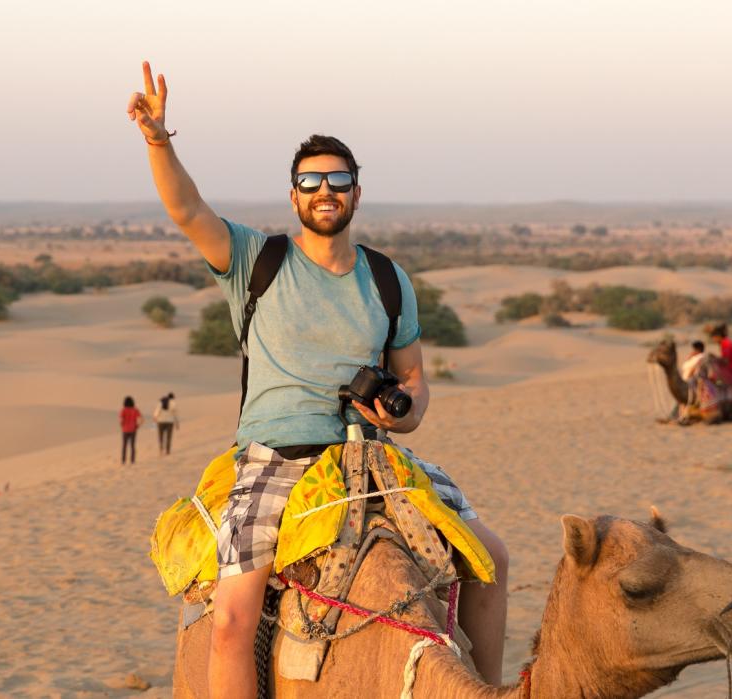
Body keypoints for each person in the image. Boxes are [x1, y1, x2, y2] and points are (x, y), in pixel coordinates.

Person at [127, 62, 509, 696]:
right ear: (295, 194)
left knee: (491, 560)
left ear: (357, 193)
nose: (325, 189)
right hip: (274, 459)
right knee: (230, 618)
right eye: (312, 180)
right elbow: (185, 208)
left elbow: (413, 378)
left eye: (338, 179)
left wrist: (404, 411)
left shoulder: (387, 278)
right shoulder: (256, 258)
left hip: (372, 456)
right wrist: (157, 139)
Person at [119, 396, 143, 464]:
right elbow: (141, 419)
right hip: (133, 430)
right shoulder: (135, 410)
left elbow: (121, 420)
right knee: (132, 446)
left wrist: (122, 425)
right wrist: (137, 426)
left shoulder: (123, 410)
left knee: (124, 446)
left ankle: (123, 461)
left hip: (125, 430)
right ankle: (132, 460)